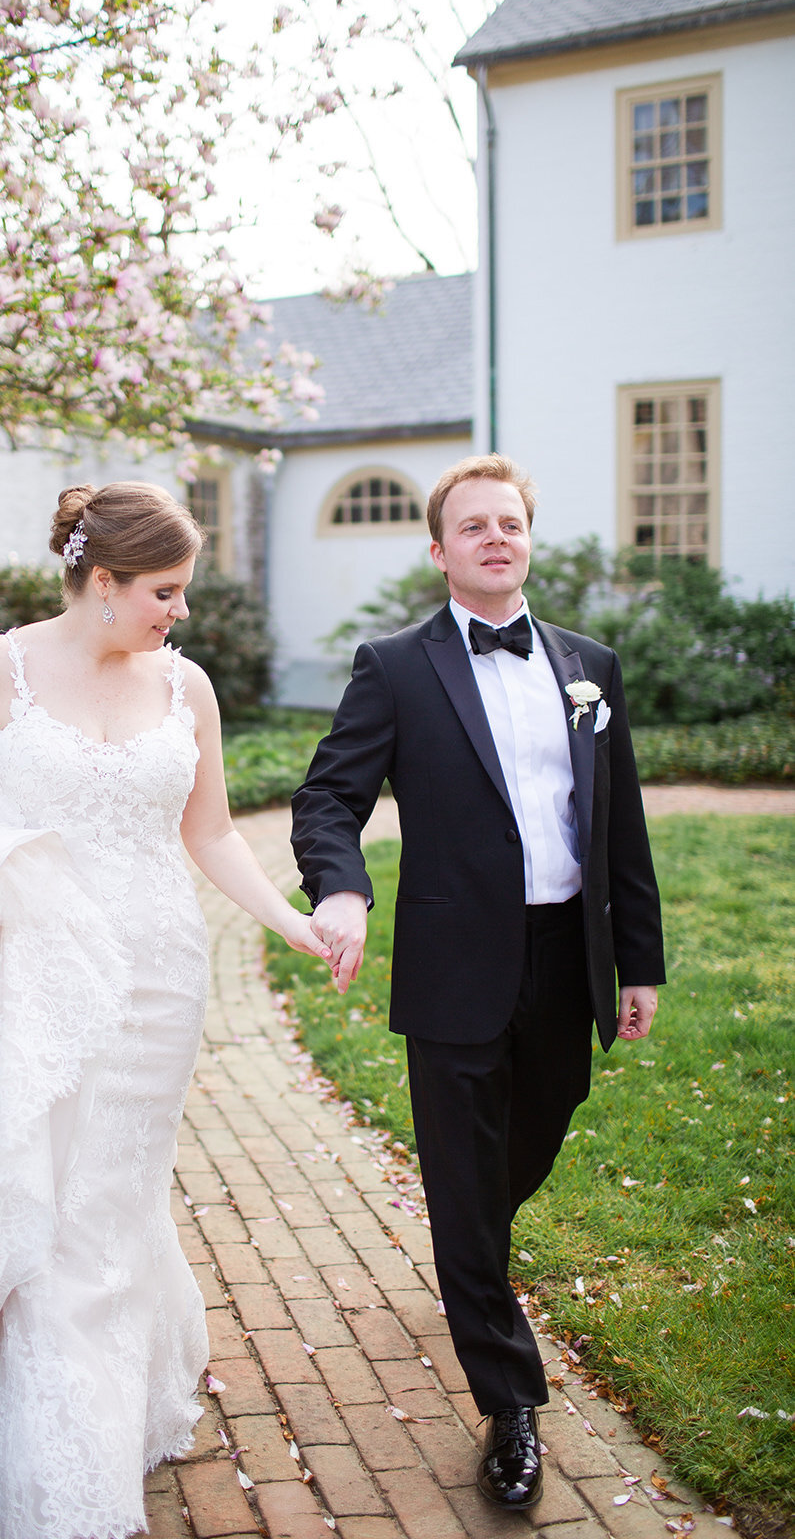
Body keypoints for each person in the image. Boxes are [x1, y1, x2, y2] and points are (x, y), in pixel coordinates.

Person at [0, 481, 329, 1539]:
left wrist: (292, 921)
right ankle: (51, 1462)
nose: (178, 611)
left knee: (113, 1200)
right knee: (41, 1200)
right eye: (164, 591)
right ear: (101, 581)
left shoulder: (188, 688)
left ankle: (104, 1403)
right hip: (27, 979)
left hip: (157, 979)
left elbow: (211, 832)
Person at [291, 453, 665, 1510]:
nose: (493, 537)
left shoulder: (587, 665)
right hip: (454, 962)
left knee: (530, 1136)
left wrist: (636, 958)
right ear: (438, 549)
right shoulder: (395, 665)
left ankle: (470, 1254)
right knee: (463, 1183)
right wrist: (341, 891)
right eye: (472, 526)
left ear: (527, 538)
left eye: (509, 522)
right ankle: (510, 1404)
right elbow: (328, 796)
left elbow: (618, 826)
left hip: (564, 960)